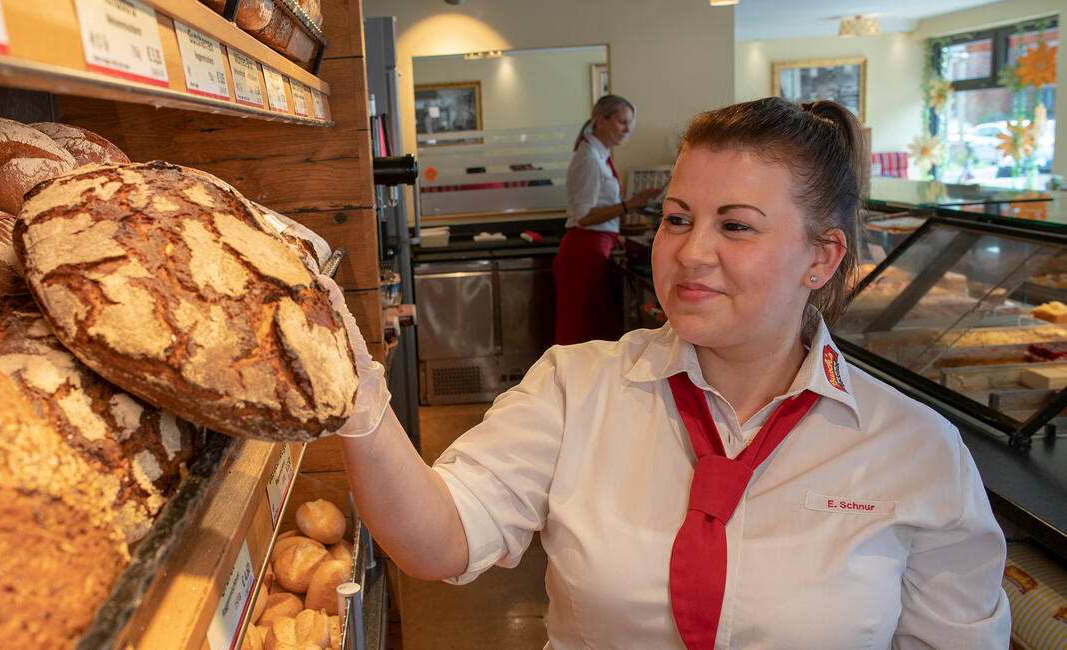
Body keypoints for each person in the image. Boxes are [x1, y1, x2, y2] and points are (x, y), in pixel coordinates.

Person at [323, 97, 1011, 648]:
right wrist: (354, 392)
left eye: (735, 226)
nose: (690, 252)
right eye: (677, 218)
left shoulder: (916, 452)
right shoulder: (576, 388)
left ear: (822, 258)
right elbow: (438, 540)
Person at [553, 94, 662, 345]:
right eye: (622, 122)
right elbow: (583, 216)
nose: (627, 129)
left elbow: (601, 212)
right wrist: (630, 204)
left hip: (595, 249)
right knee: (576, 335)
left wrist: (633, 209)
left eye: (629, 124)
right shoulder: (589, 158)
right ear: (601, 120)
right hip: (582, 250)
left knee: (591, 331)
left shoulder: (600, 155)